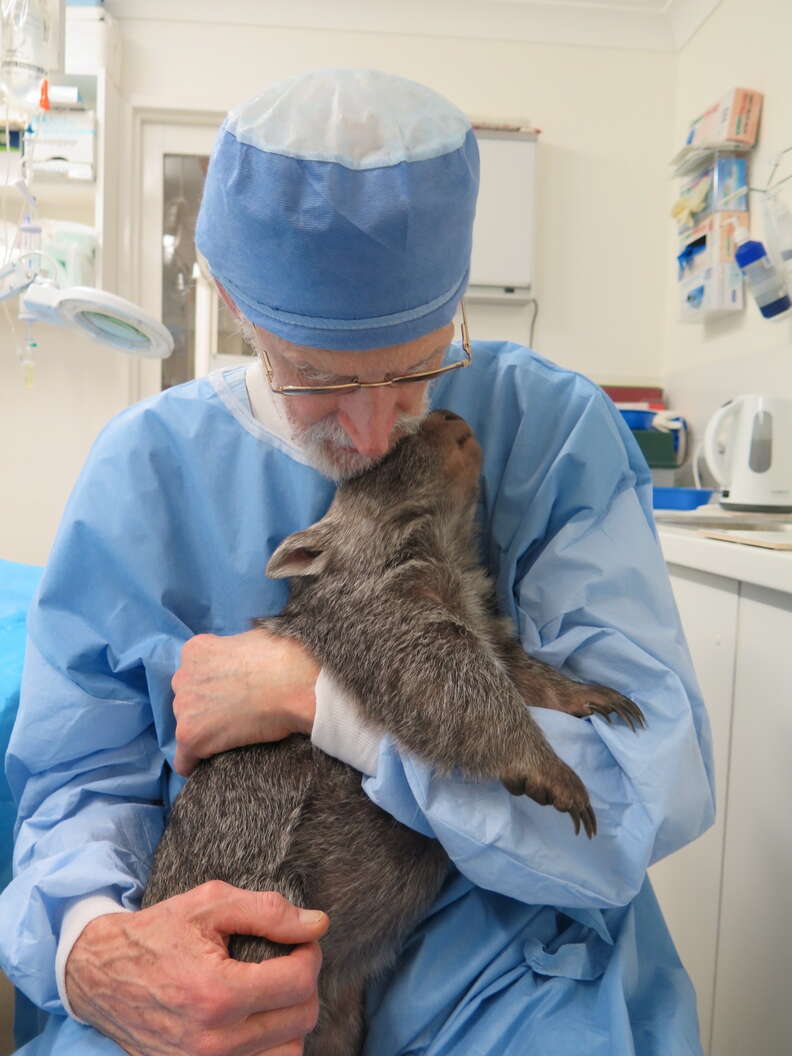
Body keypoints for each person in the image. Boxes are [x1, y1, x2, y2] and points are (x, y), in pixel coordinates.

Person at [0, 69, 714, 1055]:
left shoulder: (549, 433)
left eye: (418, 364)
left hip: (503, 952)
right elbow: (79, 786)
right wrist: (95, 947)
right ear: (230, 304)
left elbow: (638, 785)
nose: (378, 430)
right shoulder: (150, 469)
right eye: (319, 379)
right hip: (229, 926)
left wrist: (324, 698)